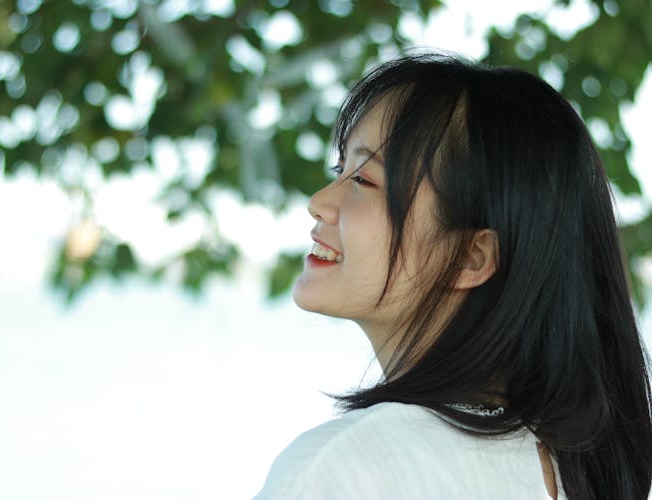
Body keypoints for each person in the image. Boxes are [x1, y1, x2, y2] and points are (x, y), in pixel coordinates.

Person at [254, 53, 652, 499]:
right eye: (339, 170)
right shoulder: (571, 470)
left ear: (470, 257)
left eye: (363, 180)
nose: (320, 201)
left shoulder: (341, 469)